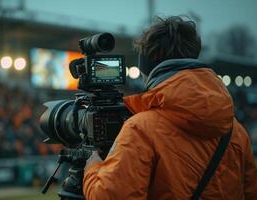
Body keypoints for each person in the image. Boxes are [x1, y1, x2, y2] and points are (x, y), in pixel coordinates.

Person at [83, 16, 257, 199]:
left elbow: (112, 196)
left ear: (148, 67)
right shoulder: (236, 131)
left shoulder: (140, 128)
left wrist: (92, 168)